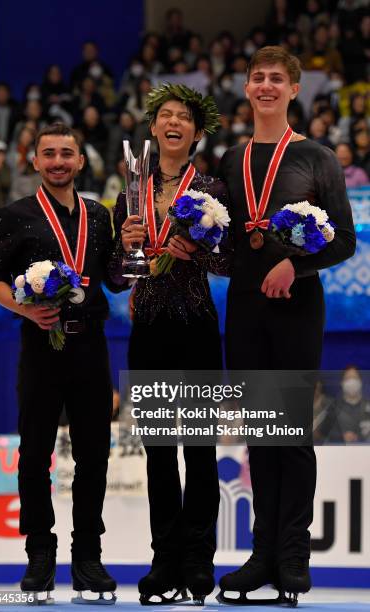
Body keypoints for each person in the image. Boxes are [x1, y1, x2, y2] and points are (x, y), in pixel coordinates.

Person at [217, 46, 356, 603]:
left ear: (294, 90)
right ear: (247, 89)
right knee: (259, 435)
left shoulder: (318, 158)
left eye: (278, 78)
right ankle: (261, 555)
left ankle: (294, 557)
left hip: (298, 306)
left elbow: (343, 240)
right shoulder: (230, 159)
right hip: (246, 308)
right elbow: (227, 239)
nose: (267, 85)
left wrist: (293, 266)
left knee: (291, 433)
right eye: (259, 78)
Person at [0, 123, 127, 604]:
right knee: (34, 454)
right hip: (40, 346)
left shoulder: (100, 216)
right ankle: (39, 555)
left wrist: (131, 249)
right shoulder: (15, 215)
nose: (59, 161)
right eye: (50, 154)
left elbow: (115, 279)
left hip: (91, 347)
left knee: (94, 456)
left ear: (82, 161)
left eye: (68, 153)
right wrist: (25, 308)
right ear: (36, 161)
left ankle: (88, 557)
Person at [112, 83, 227, 605]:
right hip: (150, 329)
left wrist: (195, 253)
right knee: (159, 454)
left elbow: (229, 263)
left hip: (198, 326)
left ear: (196, 133)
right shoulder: (130, 191)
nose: (174, 122)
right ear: (154, 128)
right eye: (166, 116)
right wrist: (125, 245)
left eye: (184, 116)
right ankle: (164, 560)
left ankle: (199, 561)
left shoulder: (211, 189)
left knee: (200, 452)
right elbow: (117, 277)